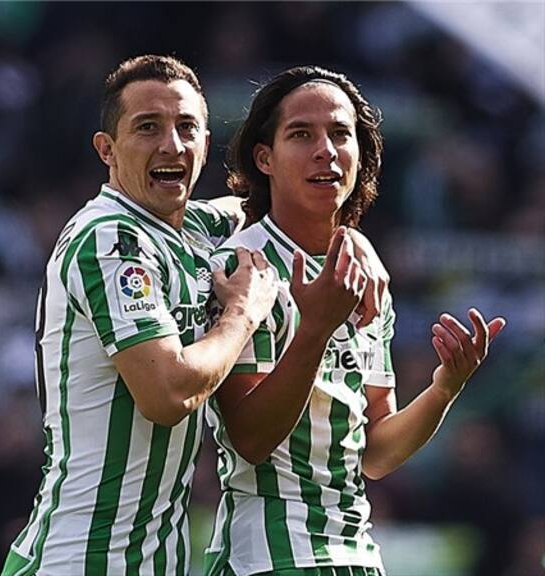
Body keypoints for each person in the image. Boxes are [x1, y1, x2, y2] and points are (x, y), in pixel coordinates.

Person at [1, 56, 388, 576]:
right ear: (106, 150)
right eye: (147, 127)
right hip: (81, 558)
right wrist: (242, 315)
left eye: (187, 127)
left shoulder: (194, 229)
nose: (172, 145)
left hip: (154, 562)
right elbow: (169, 395)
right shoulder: (110, 238)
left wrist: (353, 240)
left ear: (206, 143)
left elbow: (287, 208)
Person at [203, 66, 505, 576]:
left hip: (356, 554)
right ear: (264, 158)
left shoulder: (364, 273)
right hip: (271, 557)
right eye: (301, 134)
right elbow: (250, 440)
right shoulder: (242, 268)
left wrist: (443, 389)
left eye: (340, 134)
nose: (325, 149)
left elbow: (376, 453)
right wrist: (315, 329)